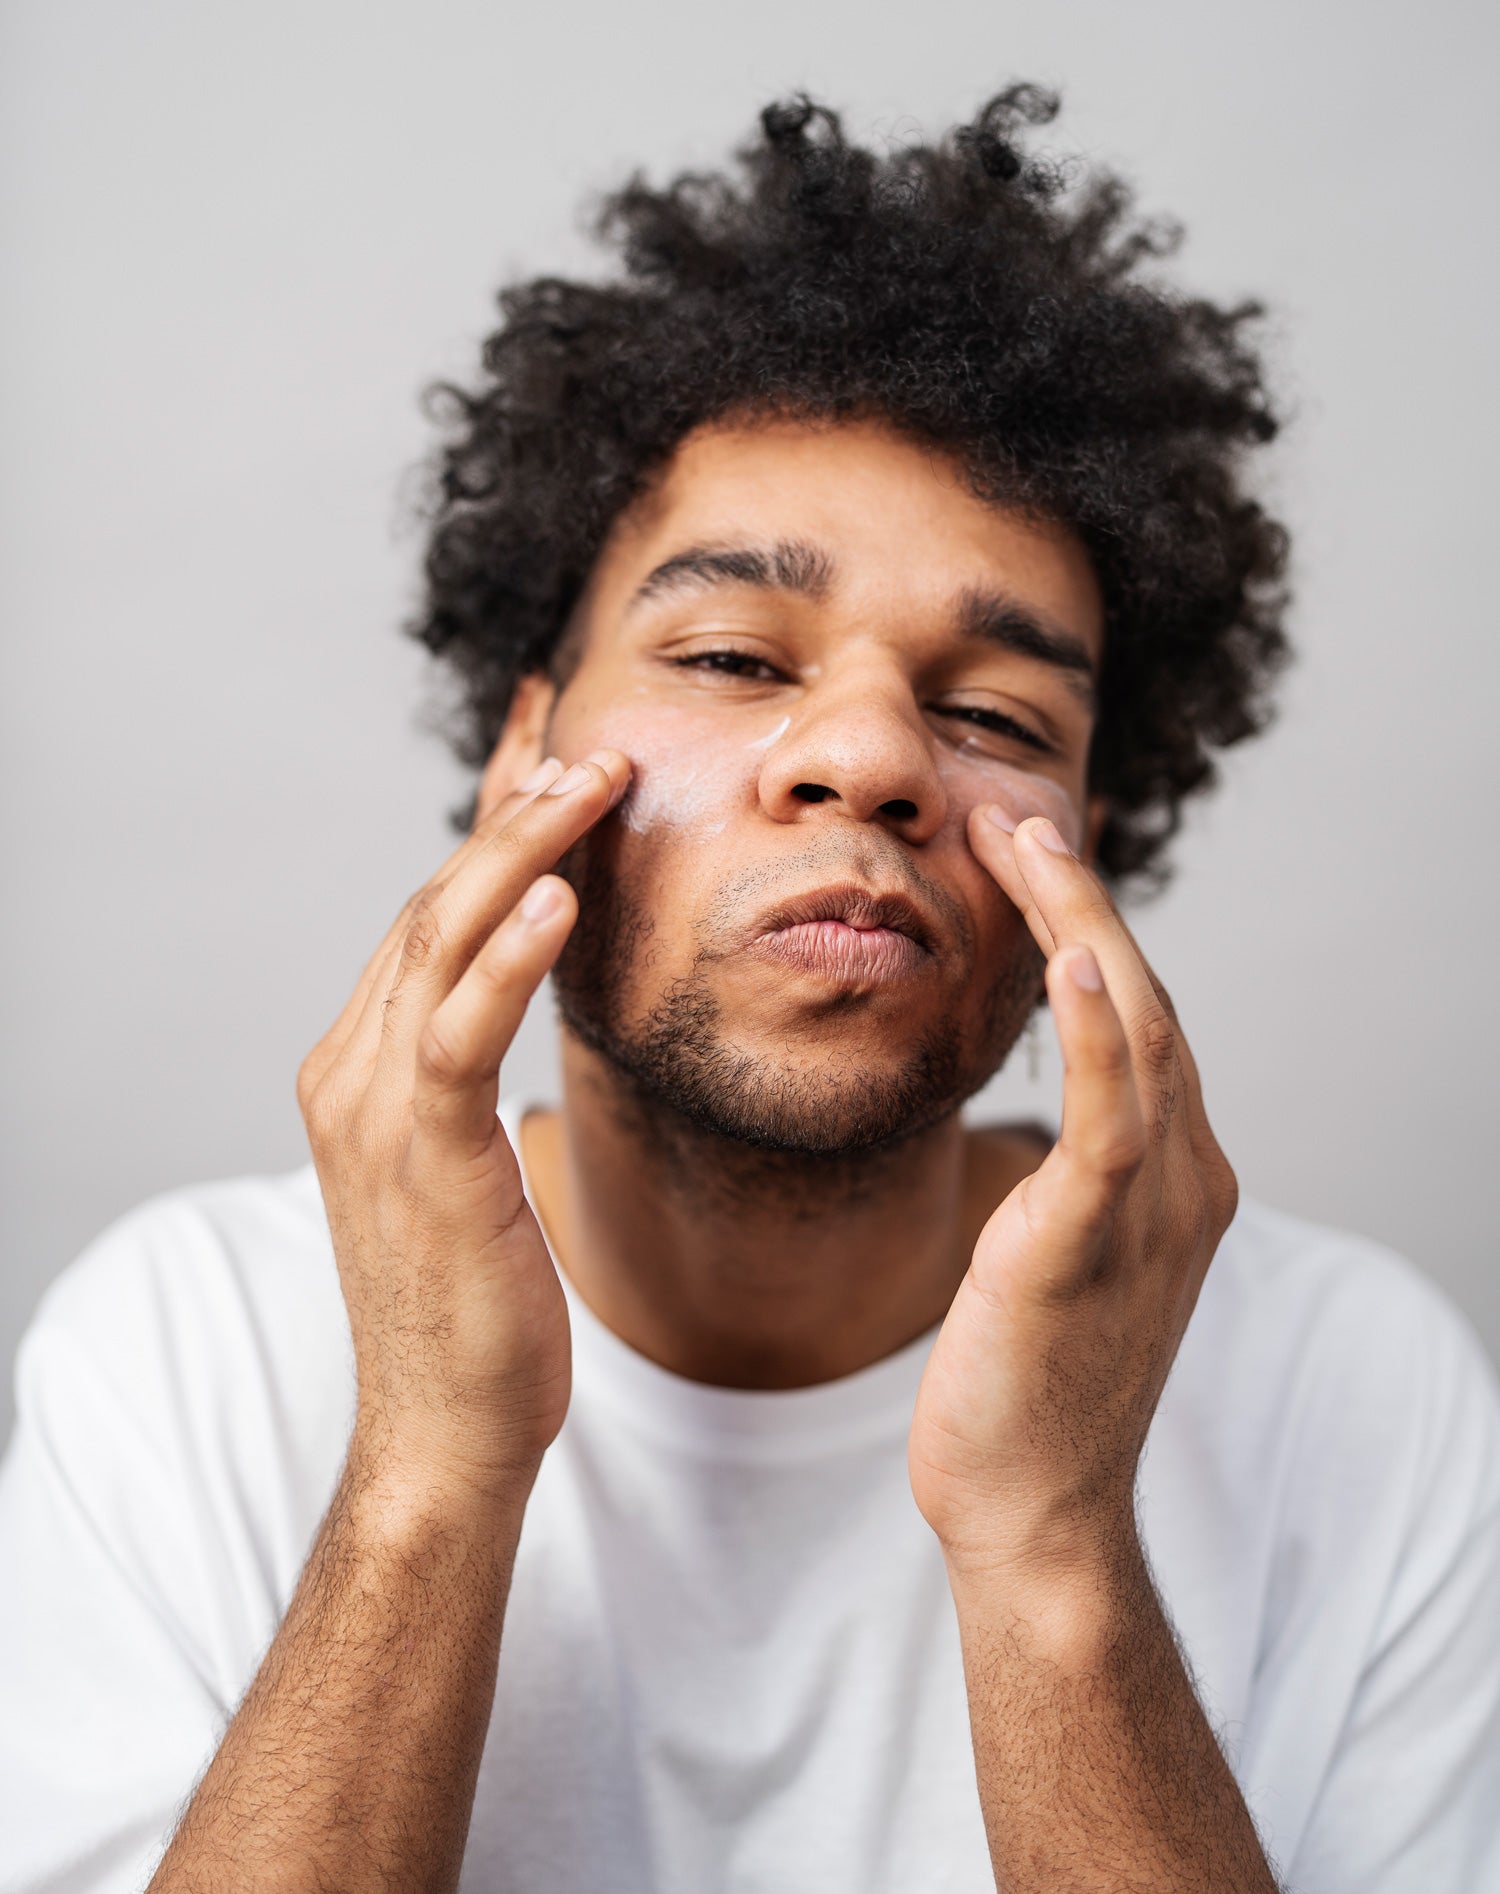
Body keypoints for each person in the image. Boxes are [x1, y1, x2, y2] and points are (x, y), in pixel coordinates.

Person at [1, 84, 1496, 1894]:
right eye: (727, 654)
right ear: (525, 757)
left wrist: (1052, 1541)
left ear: (1087, 838)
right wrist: (425, 1471)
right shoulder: (185, 1344)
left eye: (1000, 716)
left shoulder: (1362, 1389)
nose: (870, 756)